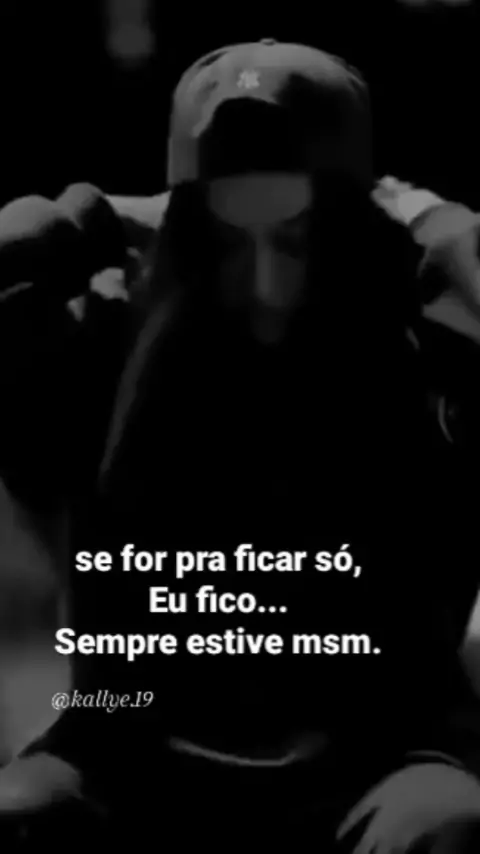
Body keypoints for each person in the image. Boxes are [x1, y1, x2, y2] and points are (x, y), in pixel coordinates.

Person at [1, 39, 480, 853]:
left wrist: (433, 226)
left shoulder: (416, 350)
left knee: (446, 825)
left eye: (294, 240)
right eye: (227, 242)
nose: (265, 285)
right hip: (129, 754)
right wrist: (91, 214)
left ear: (354, 229)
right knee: (19, 814)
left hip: (376, 764)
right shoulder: (106, 342)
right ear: (179, 232)